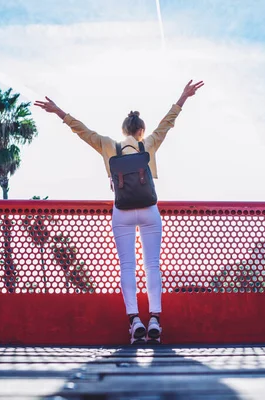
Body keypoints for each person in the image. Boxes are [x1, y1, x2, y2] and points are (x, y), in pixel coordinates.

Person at [34, 79, 204, 344]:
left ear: (123, 129)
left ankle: (134, 320)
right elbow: (167, 123)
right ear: (140, 131)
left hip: (122, 211)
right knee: (153, 266)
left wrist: (59, 112)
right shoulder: (147, 143)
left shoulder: (107, 145)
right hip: (149, 210)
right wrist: (183, 97)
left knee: (127, 266)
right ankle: (155, 320)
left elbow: (83, 131)